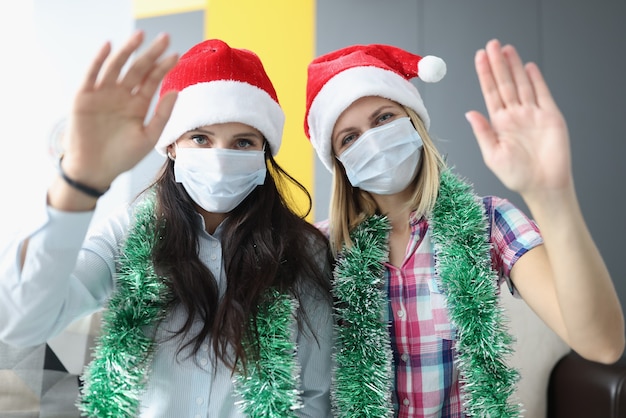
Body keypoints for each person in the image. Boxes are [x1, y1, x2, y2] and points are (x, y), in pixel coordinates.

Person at [0, 31, 334, 417]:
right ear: (172, 145)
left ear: (265, 151)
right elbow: (21, 323)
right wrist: (78, 183)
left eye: (242, 142)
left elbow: (314, 396)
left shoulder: (301, 249)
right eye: (201, 138)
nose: (221, 157)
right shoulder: (128, 234)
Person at [302, 39, 625, 417]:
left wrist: (551, 195)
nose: (372, 141)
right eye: (350, 137)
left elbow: (601, 344)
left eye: (384, 118)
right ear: (339, 162)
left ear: (414, 121)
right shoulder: (319, 248)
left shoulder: (490, 222)